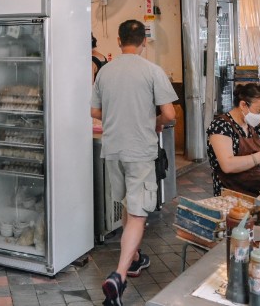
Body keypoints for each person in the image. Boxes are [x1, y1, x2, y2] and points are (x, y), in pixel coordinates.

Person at [91, 20, 177, 306]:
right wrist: (153, 123)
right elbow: (170, 114)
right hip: (140, 151)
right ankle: (119, 276)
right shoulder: (152, 71)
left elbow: (94, 110)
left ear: (118, 41)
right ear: (144, 42)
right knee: (138, 214)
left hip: (112, 148)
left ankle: (136, 258)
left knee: (129, 205)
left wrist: (118, 121)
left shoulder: (105, 71)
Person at [207, 83, 260, 197]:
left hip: (256, 188)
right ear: (243, 105)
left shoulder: (252, 126)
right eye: (259, 110)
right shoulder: (220, 126)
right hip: (231, 193)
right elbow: (228, 165)